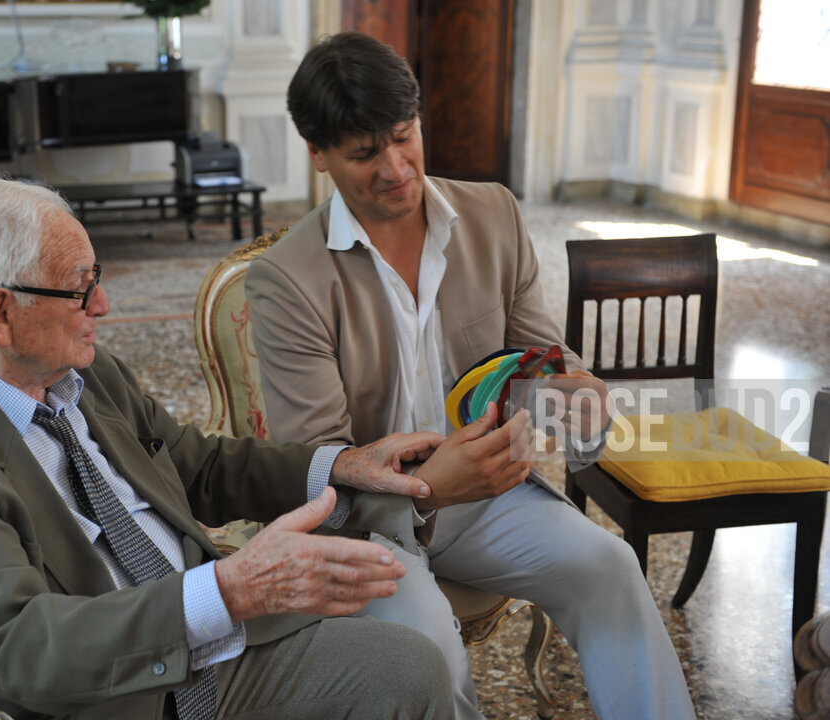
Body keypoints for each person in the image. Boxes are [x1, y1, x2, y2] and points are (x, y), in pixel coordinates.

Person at [0, 177, 466, 720]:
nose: (103, 306)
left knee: (409, 665)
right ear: (2, 314)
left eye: (98, 280)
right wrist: (228, 590)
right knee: (403, 671)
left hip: (204, 636)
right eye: (79, 289)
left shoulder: (81, 372)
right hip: (108, 692)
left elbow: (192, 463)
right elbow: (19, 647)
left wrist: (342, 463)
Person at [245, 32, 697, 720]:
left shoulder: (493, 215)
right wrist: (426, 493)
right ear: (318, 154)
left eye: (404, 136)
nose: (397, 168)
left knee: (611, 567)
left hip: (487, 499)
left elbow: (541, 355)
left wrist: (576, 393)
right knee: (427, 655)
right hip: (369, 525)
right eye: (365, 153)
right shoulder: (287, 278)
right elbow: (319, 460)